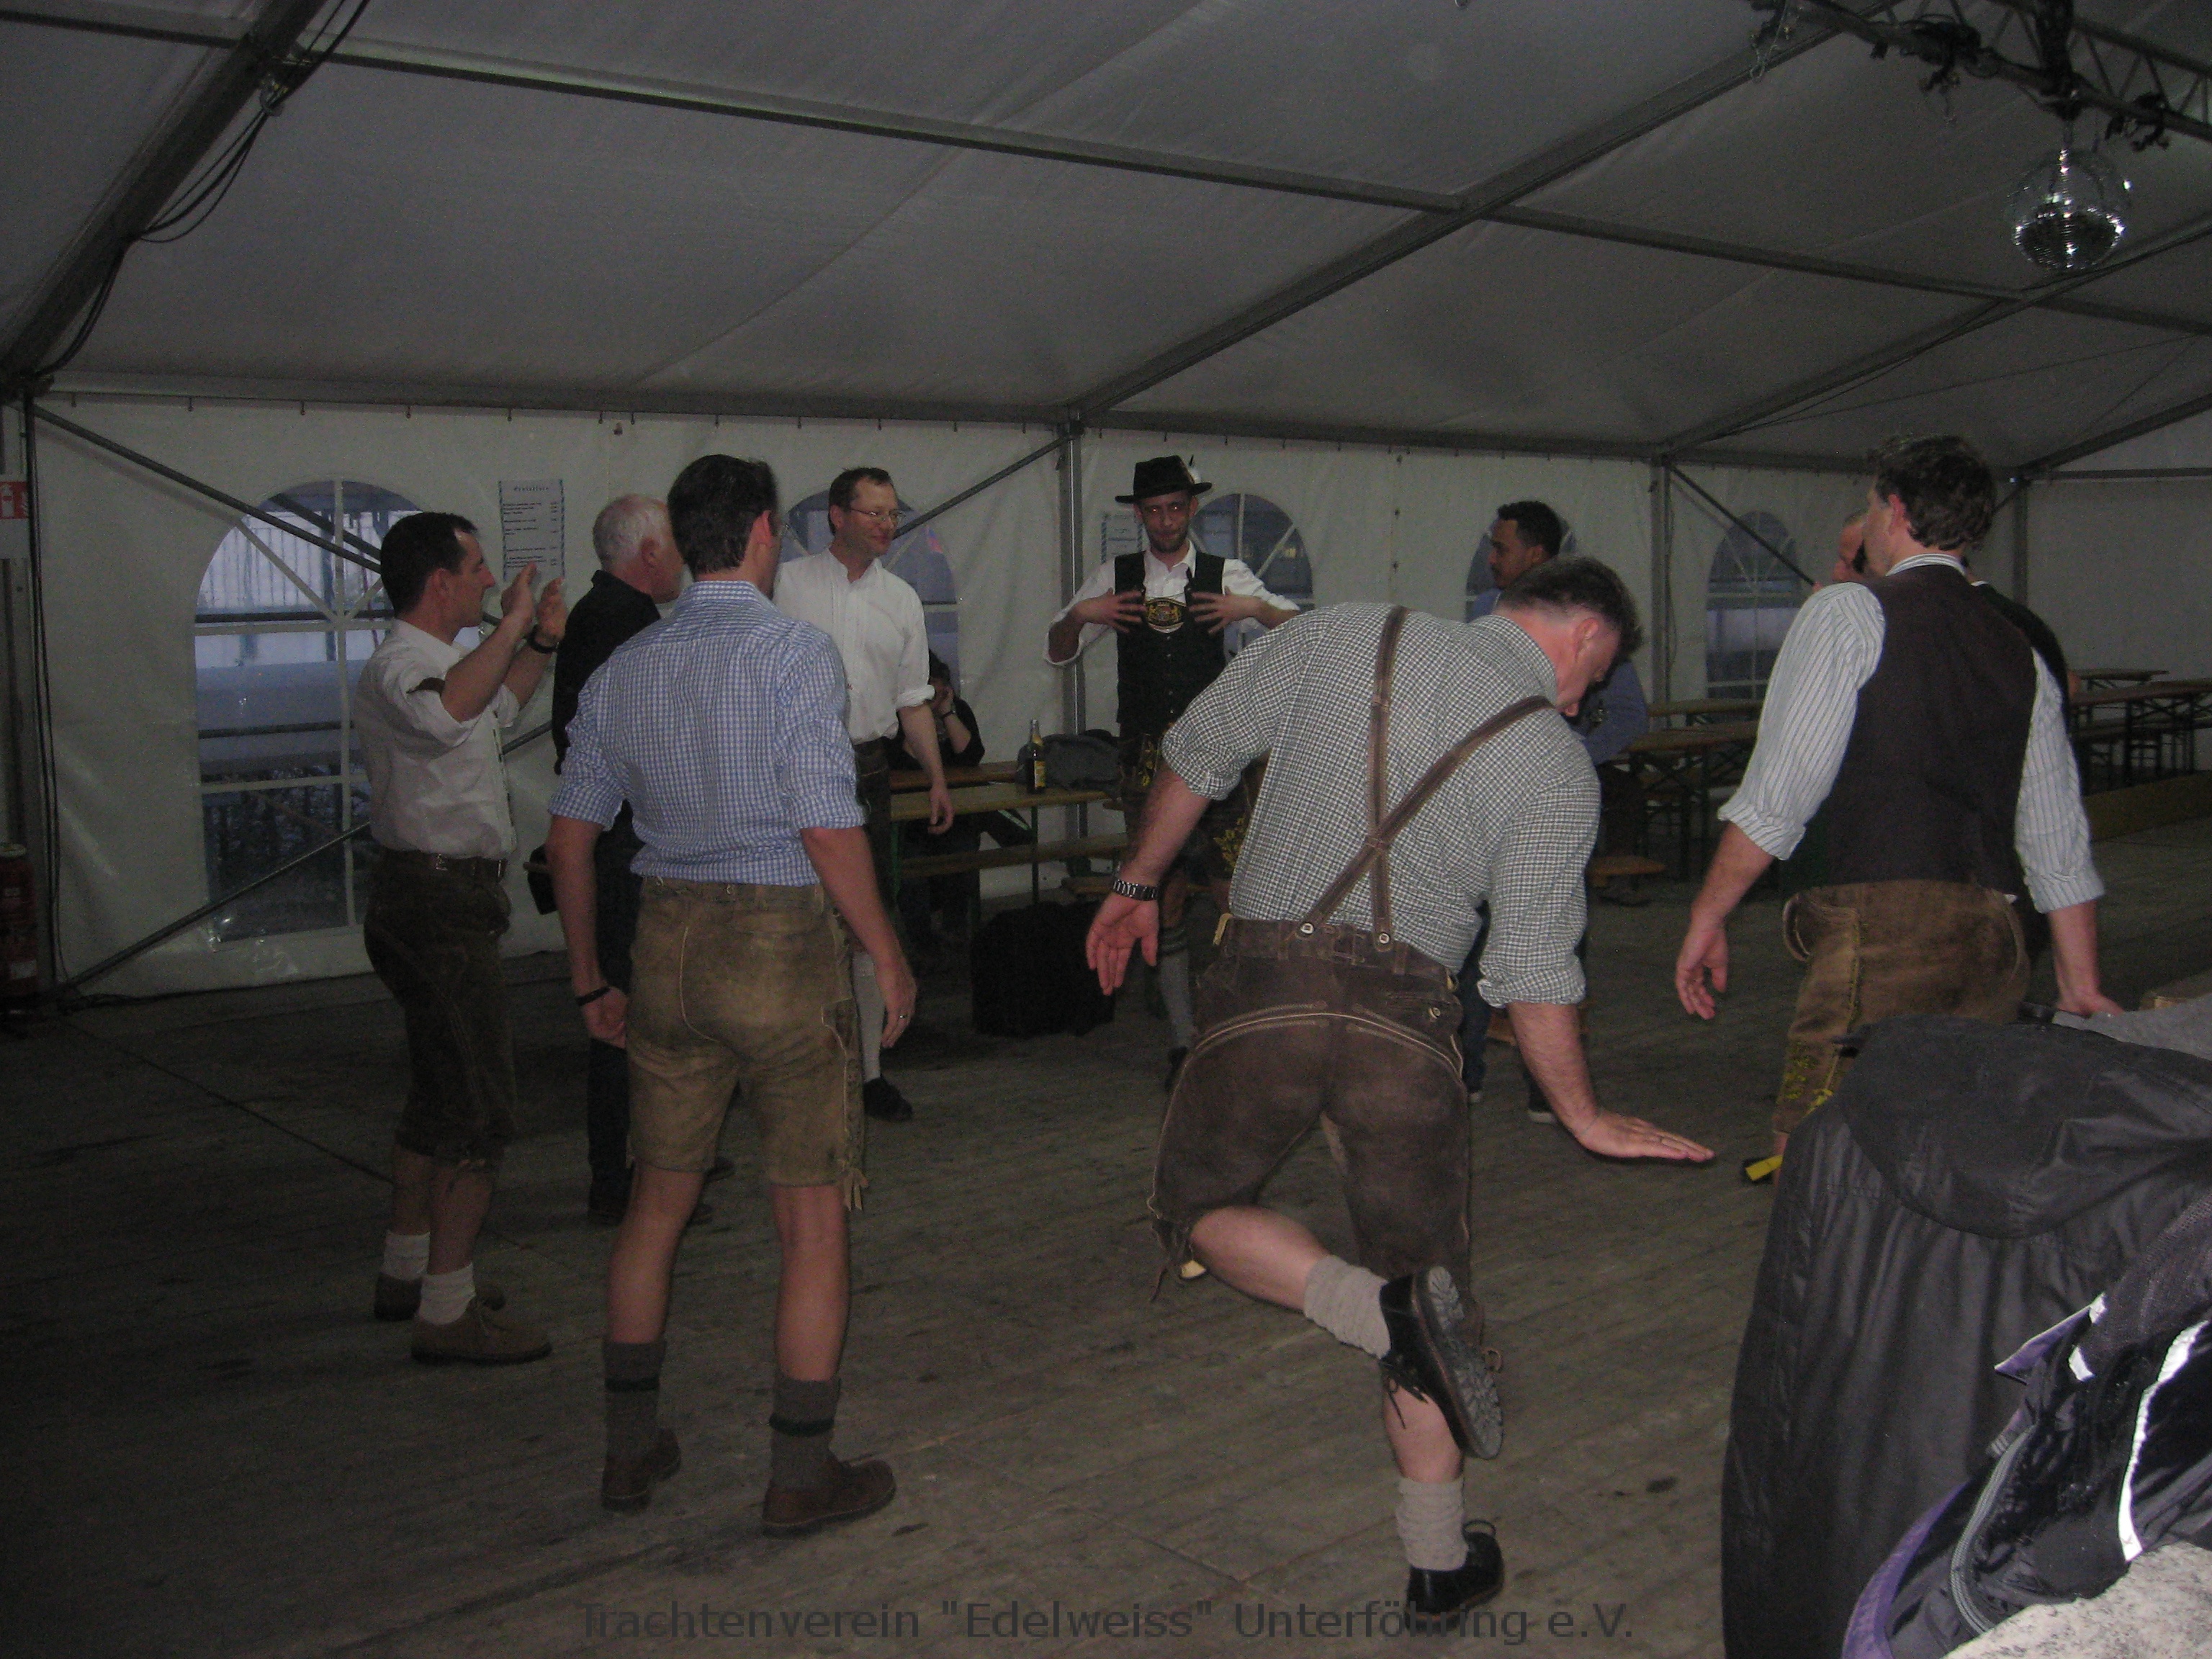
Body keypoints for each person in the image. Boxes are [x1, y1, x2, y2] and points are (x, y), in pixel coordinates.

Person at [1087, 557, 1712, 1632]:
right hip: (1406, 1026)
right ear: (1583, 637)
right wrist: (1583, 1115)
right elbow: (1532, 974)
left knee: (1198, 1211)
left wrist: (1137, 883)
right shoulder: (1555, 767)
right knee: (1426, 1290)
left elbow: (1196, 749)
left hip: (1265, 991)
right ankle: (1435, 1562)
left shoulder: (1339, 634)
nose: (1581, 704)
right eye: (1595, 677)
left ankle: (1372, 1315)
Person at [545, 454, 913, 1527]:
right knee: (811, 1219)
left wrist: (588, 979)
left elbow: (569, 841)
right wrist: (885, 952)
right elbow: (825, 822)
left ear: (682, 537)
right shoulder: (793, 653)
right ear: (760, 533)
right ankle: (799, 1476)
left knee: (657, 1204)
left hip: (664, 942)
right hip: (776, 943)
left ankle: (628, 1454)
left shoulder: (626, 667)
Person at [1674, 435, 2122, 1180]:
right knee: (1944, 1158)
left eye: (1873, 504)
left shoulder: (1848, 612)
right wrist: (2079, 983)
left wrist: (1707, 914)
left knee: (1813, 1148)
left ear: (1897, 511)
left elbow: (1779, 796)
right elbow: (2056, 838)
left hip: (1883, 935)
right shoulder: (2017, 647)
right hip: (1998, 939)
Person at [356, 511, 564, 1364]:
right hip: (436, 904)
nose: (488, 580)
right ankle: (447, 1311)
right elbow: (448, 715)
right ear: (440, 581)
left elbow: (495, 705)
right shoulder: (401, 666)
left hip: (440, 900)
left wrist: (538, 642)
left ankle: (408, 1269)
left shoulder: (446, 663)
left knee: (438, 1095)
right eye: (477, 568)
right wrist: (513, 625)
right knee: (480, 1111)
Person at [1047, 455, 1298, 1086]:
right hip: (1146, 759)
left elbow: (1303, 630)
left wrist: (1251, 608)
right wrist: (1081, 616)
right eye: (1154, 510)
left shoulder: (1225, 573)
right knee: (1158, 892)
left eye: (1175, 508)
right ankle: (1185, 1040)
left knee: (1237, 891)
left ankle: (1241, 1026)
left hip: (1218, 750)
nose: (1164, 521)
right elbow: (1056, 651)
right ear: (1139, 514)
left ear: (1191, 508)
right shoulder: (1116, 576)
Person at [551, 494, 715, 1226]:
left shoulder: (613, 615)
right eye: (674, 544)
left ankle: (657, 1155)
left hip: (625, 839)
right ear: (649, 552)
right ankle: (619, 1175)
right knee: (627, 1014)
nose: (682, 558)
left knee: (652, 1010)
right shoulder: (620, 625)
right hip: (622, 845)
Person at [1459, 502, 1647, 1121]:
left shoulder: (1589, 624)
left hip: (1548, 811)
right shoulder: (1485, 617)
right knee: (1472, 935)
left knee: (1551, 936)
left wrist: (1571, 755)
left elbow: (1628, 715)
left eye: (1502, 547)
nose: (1492, 558)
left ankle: (1548, 1084)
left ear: (1536, 555)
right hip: (1481, 805)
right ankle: (1463, 1068)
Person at [775, 467, 950, 1125]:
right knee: (792, 919)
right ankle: (787, 1067)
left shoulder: (902, 599)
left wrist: (935, 777)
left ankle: (870, 1073)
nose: (886, 525)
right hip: (794, 767)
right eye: (874, 513)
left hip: (869, 767)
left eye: (892, 514)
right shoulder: (787, 585)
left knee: (867, 918)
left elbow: (913, 701)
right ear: (837, 516)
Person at [893, 652, 1032, 954]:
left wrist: (946, 713)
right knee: (911, 869)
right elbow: (904, 762)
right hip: (910, 815)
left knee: (962, 853)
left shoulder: (958, 710)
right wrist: (919, 719)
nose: (935, 695)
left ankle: (956, 929)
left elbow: (971, 757)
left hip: (953, 808)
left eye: (939, 687)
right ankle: (921, 940)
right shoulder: (896, 716)